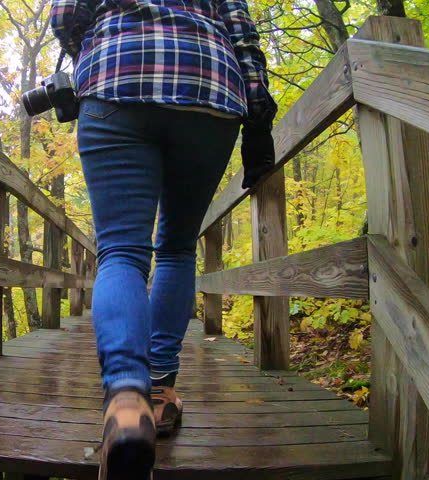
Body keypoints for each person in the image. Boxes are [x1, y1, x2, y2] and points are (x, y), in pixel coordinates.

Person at [50, 0, 277, 477]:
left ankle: (126, 399)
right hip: (208, 88)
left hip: (118, 76)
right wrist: (258, 119)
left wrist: (92, 47)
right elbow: (245, 38)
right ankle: (160, 392)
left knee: (122, 250)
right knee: (176, 246)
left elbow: (66, 14)